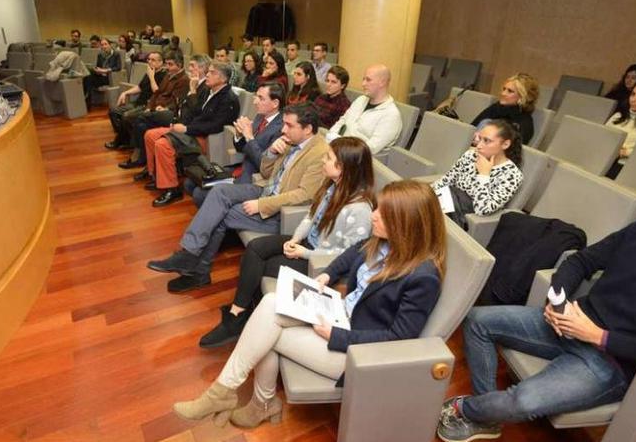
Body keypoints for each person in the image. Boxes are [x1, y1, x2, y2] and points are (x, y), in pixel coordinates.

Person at [436, 171, 636, 442]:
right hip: (569, 323)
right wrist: (557, 302)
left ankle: (467, 409)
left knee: (523, 401)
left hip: (611, 360)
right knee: (477, 320)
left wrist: (599, 336)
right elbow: (580, 261)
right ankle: (487, 415)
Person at [173, 179, 445, 428]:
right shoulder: (382, 242)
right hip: (338, 313)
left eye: (384, 213)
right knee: (269, 305)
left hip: (357, 353)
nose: (374, 214)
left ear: (407, 223)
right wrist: (327, 274)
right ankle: (241, 398)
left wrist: (337, 335)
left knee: (265, 331)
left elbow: (399, 337)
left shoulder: (423, 277)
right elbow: (352, 253)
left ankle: (245, 400)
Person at [198, 136, 376, 348]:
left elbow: (346, 255)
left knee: (262, 266)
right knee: (256, 248)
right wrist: (294, 240)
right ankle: (240, 311)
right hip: (307, 244)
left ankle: (239, 316)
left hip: (321, 263)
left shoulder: (360, 209)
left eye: (328, 158)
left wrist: (304, 253)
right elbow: (311, 217)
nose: (323, 161)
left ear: (343, 167)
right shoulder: (331, 186)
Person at [147, 103, 328, 292]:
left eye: (289, 125)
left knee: (222, 214)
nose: (283, 130)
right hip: (266, 190)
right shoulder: (292, 141)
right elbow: (267, 172)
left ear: (307, 129)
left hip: (280, 212)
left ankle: (198, 270)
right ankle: (190, 254)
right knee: (219, 192)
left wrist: (261, 204)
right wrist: (272, 152)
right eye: (283, 124)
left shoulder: (319, 153)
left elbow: (304, 195)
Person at [141, 60, 240, 207]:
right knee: (150, 135)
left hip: (204, 137)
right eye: (208, 71)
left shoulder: (228, 99)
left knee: (163, 145)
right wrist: (192, 94)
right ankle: (157, 176)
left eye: (212, 72)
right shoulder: (208, 90)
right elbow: (195, 111)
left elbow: (216, 126)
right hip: (192, 129)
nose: (207, 74)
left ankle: (172, 189)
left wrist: (186, 129)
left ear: (223, 79)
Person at [431, 119, 524, 220]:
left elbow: (482, 209)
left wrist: (484, 175)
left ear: (505, 144)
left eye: (487, 141)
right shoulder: (470, 155)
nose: (478, 146)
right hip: (446, 204)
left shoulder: (512, 175)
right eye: (479, 139)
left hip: (463, 217)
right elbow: (446, 180)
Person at [119, 50, 189, 169]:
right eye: (167, 64)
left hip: (168, 112)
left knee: (137, 118)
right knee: (140, 124)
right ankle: (144, 157)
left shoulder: (183, 80)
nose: (167, 67)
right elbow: (156, 94)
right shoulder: (168, 75)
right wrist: (149, 107)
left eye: (170, 64)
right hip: (156, 109)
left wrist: (163, 108)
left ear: (180, 65)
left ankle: (139, 157)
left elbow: (177, 102)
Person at [327, 64, 402, 159]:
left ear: (382, 82)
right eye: (363, 79)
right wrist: (330, 137)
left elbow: (370, 148)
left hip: (355, 160)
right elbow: (342, 121)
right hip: (339, 150)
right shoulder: (361, 100)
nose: (363, 84)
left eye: (368, 80)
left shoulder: (391, 115)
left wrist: (339, 149)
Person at [105, 51, 165, 150]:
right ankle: (126, 138)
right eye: (148, 59)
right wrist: (125, 93)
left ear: (160, 62)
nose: (149, 62)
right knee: (113, 112)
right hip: (138, 102)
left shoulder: (163, 75)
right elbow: (140, 87)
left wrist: (151, 77)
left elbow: (157, 92)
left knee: (126, 116)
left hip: (148, 105)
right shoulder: (150, 71)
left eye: (153, 60)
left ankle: (121, 141)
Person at [469, 73, 539, 144]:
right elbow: (471, 128)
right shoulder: (496, 108)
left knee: (486, 123)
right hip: (469, 147)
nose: (503, 93)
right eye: (504, 89)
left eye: (510, 91)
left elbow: (513, 151)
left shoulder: (524, 123)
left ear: (522, 97)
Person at [83, 37, 121, 107]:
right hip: (101, 76)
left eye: (105, 44)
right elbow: (98, 66)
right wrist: (97, 70)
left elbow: (118, 68)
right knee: (88, 74)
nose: (104, 46)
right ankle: (87, 99)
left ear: (110, 45)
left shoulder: (116, 54)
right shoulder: (100, 55)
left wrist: (105, 70)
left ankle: (86, 100)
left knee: (89, 79)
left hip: (110, 78)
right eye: (102, 45)